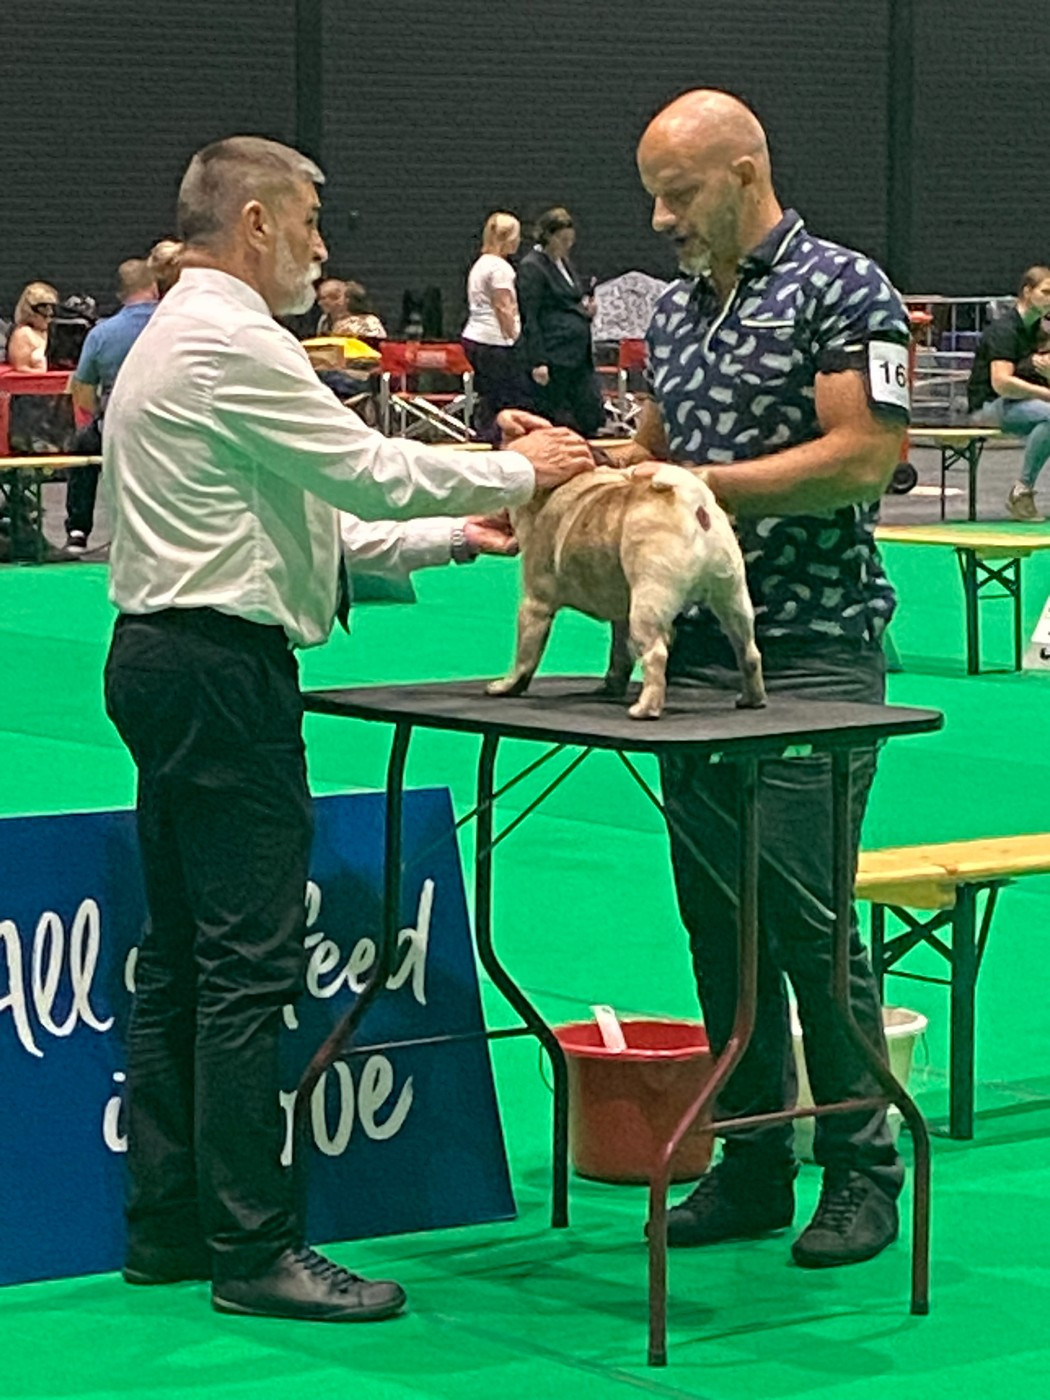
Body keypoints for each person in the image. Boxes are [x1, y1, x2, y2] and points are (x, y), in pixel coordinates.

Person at [101, 134, 593, 1325]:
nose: (322, 248)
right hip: (221, 671)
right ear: (257, 222)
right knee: (247, 966)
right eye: (313, 222)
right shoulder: (231, 338)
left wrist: (458, 535)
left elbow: (309, 524)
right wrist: (521, 473)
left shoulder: (179, 333)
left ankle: (169, 1223)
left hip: (166, 657)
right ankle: (254, 1244)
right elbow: (366, 470)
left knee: (181, 956)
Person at [615, 89, 910, 1268]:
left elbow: (866, 456)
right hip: (688, 660)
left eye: (678, 194)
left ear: (745, 173)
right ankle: (749, 1161)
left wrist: (702, 491)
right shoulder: (674, 312)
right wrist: (574, 470)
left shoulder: (847, 288)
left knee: (806, 917)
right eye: (653, 197)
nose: (660, 219)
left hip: (815, 648)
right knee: (716, 918)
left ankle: (863, 1165)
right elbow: (649, 453)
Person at [66, 258, 159, 550]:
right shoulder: (175, 325)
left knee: (83, 444)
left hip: (115, 428)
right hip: (168, 426)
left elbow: (82, 391)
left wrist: (102, 413)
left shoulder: (100, 334)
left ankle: (78, 531)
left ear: (120, 294)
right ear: (154, 287)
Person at [967, 266, 1050, 520]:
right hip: (987, 407)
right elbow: (1001, 383)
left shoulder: (1038, 332)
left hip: (1021, 405)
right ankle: (1022, 492)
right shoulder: (1004, 330)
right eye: (1046, 292)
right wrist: (1046, 394)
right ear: (1027, 292)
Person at [516, 207, 604, 438]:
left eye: (570, 240)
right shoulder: (532, 267)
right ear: (548, 236)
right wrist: (538, 361)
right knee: (558, 413)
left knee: (591, 409)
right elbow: (530, 316)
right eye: (563, 240)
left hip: (578, 354)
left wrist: (585, 310)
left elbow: (569, 300)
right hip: (555, 354)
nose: (568, 245)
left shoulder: (564, 263)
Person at [461, 212, 530, 433]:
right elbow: (503, 307)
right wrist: (515, 338)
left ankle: (485, 432)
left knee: (488, 395)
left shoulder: (480, 264)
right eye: (516, 236)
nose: (519, 241)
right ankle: (500, 435)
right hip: (496, 341)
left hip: (474, 336)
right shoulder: (500, 268)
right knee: (506, 396)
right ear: (507, 238)